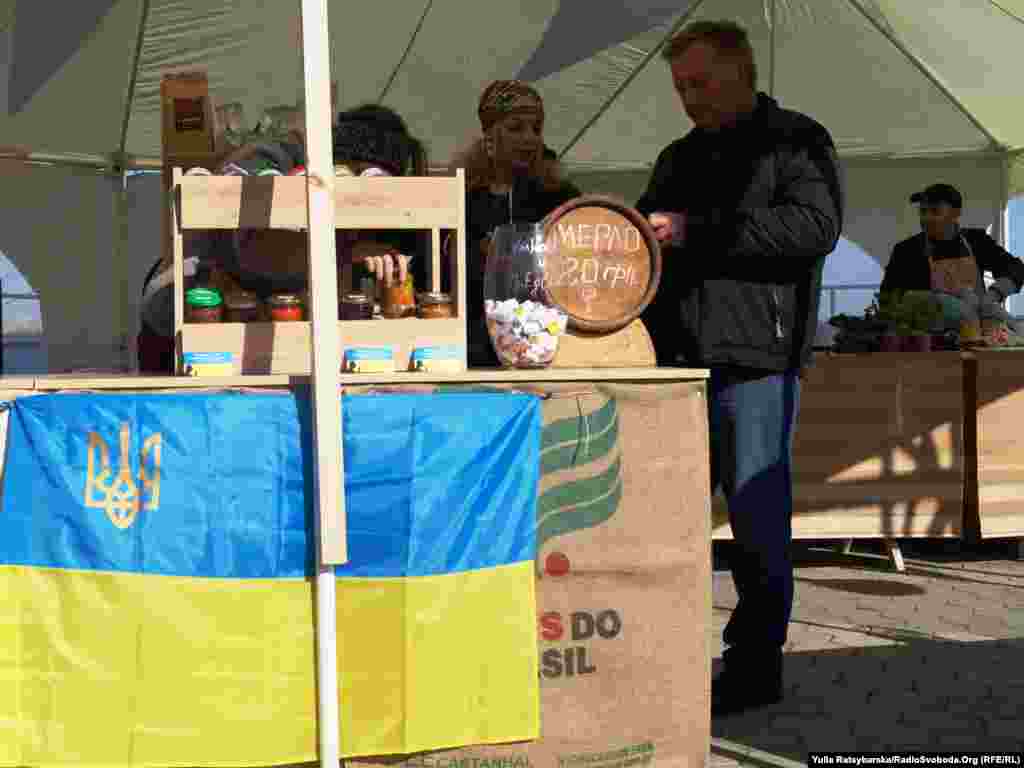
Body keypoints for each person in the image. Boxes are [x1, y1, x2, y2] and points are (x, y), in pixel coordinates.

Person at [635, 20, 844, 716]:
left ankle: (754, 668)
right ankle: (666, 657)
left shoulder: (796, 140)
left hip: (758, 362)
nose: (689, 98)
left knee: (756, 523)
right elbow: (643, 239)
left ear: (740, 72)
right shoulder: (677, 156)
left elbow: (814, 229)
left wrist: (695, 230)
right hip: (677, 362)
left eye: (699, 83)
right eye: (680, 87)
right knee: (669, 518)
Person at [138, 104, 428, 373]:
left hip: (263, 336)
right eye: (362, 173)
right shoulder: (270, 158)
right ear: (344, 158)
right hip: (182, 322)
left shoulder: (356, 196)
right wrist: (347, 252)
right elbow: (257, 252)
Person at [449, 81, 580, 367]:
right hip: (474, 348)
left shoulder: (560, 197)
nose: (529, 138)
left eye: (536, 129)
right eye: (516, 128)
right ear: (489, 136)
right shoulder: (461, 198)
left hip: (547, 346)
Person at [880, 183, 1024, 305]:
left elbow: (1016, 268)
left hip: (977, 324)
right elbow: (887, 298)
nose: (926, 218)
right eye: (923, 211)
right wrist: (921, 299)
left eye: (935, 211)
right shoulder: (906, 250)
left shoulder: (977, 241)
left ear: (955, 214)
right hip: (928, 328)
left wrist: (996, 293)